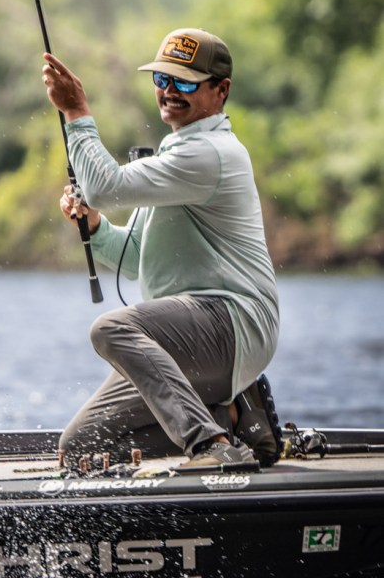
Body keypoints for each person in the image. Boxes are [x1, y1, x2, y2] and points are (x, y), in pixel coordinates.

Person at [42, 27, 280, 470]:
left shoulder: (210, 153)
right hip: (190, 340)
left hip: (233, 322)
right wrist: (94, 226)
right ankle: (237, 418)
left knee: (111, 329)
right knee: (81, 447)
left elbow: (105, 187)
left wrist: (76, 112)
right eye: (162, 79)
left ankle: (211, 445)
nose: (170, 91)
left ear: (221, 91)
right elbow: (135, 257)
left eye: (185, 82)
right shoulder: (176, 155)